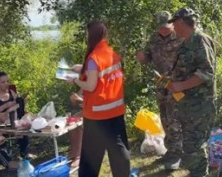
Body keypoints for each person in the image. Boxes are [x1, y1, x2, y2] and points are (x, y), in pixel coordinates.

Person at [67, 21, 130, 177]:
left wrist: (74, 80)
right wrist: (82, 68)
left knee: (91, 156)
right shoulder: (110, 53)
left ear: (91, 36)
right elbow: (102, 75)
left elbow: (90, 85)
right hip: (115, 110)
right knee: (118, 147)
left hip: (97, 114)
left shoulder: (94, 57)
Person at [167, 8, 217, 175]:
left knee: (194, 146)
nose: (173, 28)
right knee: (190, 145)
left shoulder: (200, 40)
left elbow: (207, 73)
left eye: (174, 23)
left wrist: (181, 86)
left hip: (200, 105)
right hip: (188, 104)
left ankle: (199, 174)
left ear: (181, 22)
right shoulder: (186, 42)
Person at [134, 11, 183, 167]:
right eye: (160, 27)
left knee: (175, 118)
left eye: (166, 26)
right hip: (161, 85)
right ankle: (169, 152)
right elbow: (148, 56)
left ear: (171, 24)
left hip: (177, 84)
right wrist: (143, 58)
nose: (162, 29)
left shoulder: (181, 37)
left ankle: (177, 155)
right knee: (164, 118)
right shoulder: (154, 38)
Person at [0, 72, 27, 169]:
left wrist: (17, 105)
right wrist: (6, 106)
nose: (6, 84)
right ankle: (8, 163)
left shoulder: (11, 92)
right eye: (3, 82)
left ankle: (24, 155)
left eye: (7, 81)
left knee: (25, 131)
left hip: (13, 123)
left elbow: (19, 104)